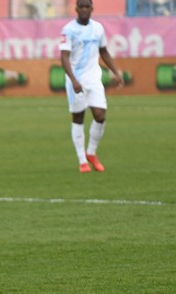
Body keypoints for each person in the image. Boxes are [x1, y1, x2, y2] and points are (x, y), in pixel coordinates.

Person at [59, 0, 124, 173]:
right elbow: (64, 57)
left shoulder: (98, 28)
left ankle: (91, 153)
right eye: (82, 7)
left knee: (100, 115)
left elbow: (104, 51)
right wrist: (73, 79)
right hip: (76, 80)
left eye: (87, 7)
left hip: (94, 78)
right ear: (76, 9)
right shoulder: (68, 30)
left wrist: (116, 72)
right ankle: (82, 161)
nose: (84, 10)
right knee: (78, 118)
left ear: (92, 9)